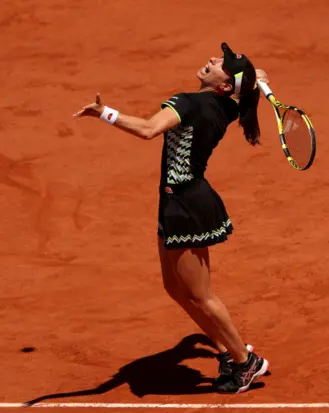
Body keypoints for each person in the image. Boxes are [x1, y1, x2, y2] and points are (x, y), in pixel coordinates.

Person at [73, 42, 269, 394]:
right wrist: (255, 80)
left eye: (220, 63)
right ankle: (226, 352)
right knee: (175, 289)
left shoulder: (188, 102)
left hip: (187, 207)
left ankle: (245, 362)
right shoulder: (227, 107)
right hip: (180, 202)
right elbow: (251, 84)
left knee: (201, 295)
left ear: (225, 85)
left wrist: (105, 113)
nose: (212, 59)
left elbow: (149, 129)